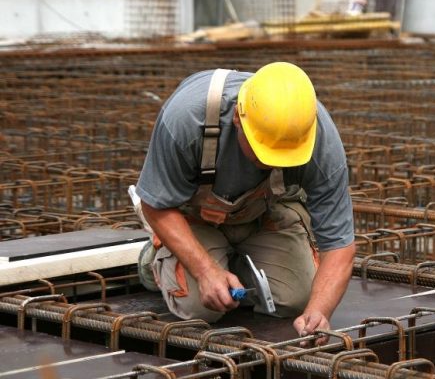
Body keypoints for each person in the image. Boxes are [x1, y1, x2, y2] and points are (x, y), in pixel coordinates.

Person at [134, 61, 355, 340]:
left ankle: (231, 263)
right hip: (195, 218)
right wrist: (205, 271)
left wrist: (319, 311)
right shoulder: (187, 118)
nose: (274, 161)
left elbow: (339, 245)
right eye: (265, 151)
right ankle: (153, 260)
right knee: (201, 308)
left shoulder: (314, 132)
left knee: (298, 299)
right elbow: (155, 205)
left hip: (264, 214)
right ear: (238, 119)